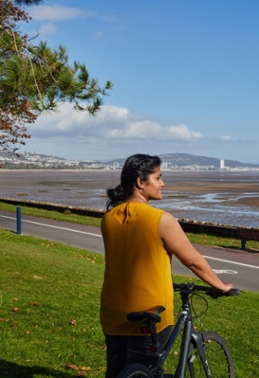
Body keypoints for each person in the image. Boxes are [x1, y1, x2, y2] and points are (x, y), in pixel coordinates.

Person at [100, 154, 233, 377]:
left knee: (116, 372)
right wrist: (219, 285)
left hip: (113, 310)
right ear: (141, 182)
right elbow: (193, 261)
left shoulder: (108, 218)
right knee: (147, 371)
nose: (163, 184)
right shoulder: (161, 219)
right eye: (158, 178)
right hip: (150, 312)